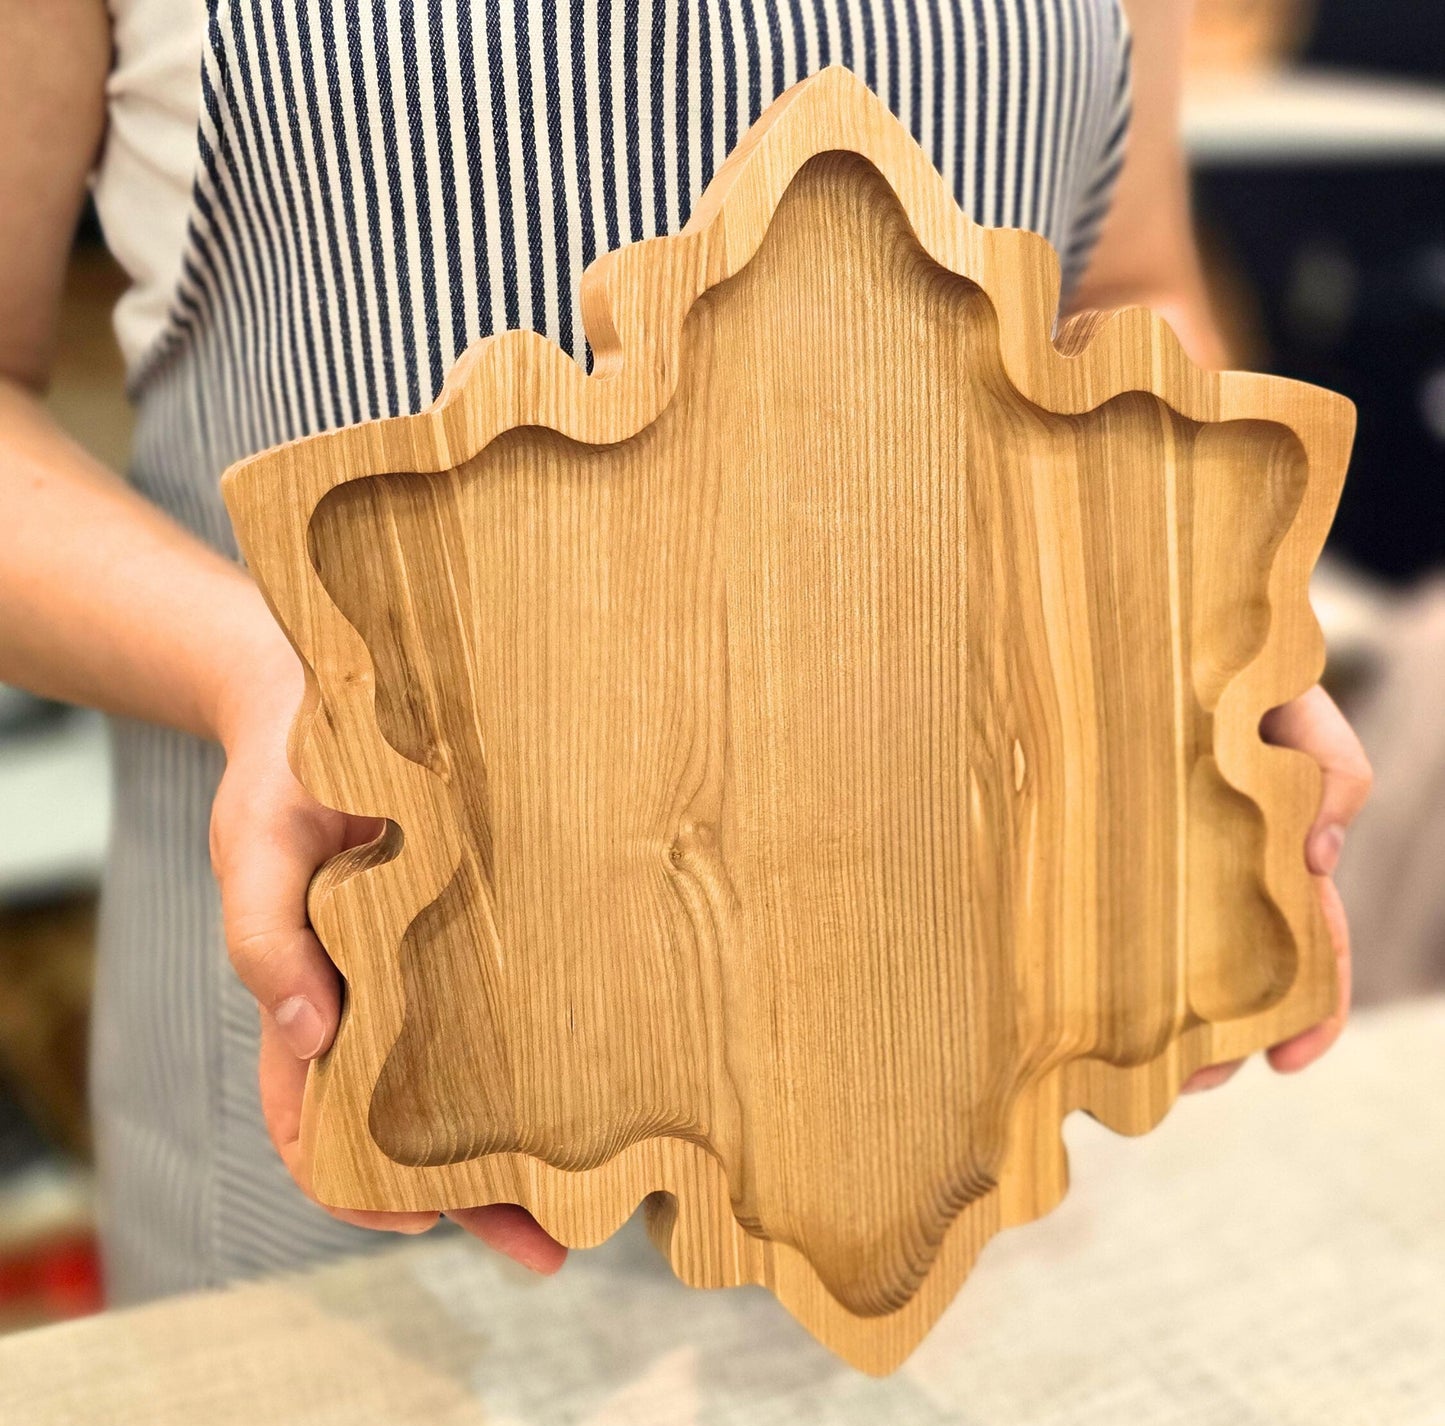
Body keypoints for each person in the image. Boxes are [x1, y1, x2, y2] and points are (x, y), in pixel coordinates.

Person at [0, 0, 1371, 1303]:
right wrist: (267, 674)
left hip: (958, 1098)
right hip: (378, 1072)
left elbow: (1128, 286)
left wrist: (1196, 614)